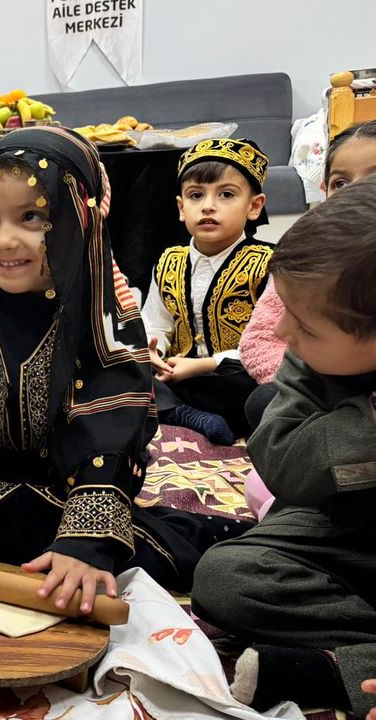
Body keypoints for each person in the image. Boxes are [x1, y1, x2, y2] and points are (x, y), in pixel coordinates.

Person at [0, 128, 242, 611]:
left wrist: (86, 540)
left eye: (32, 217)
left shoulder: (100, 313)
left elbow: (113, 430)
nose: (5, 240)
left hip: (68, 491)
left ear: (79, 218)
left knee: (116, 558)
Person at [190, 176, 376, 717]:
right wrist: (365, 422)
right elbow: (281, 462)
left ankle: (341, 672)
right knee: (225, 577)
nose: (282, 331)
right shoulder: (306, 354)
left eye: (308, 327)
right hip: (346, 528)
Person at [241, 120, 376, 429]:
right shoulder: (306, 256)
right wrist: (309, 377)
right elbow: (260, 338)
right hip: (320, 380)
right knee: (262, 401)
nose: (354, 194)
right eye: (341, 183)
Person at [143, 138, 273, 445]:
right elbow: (156, 323)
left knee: (269, 388)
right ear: (181, 208)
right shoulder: (169, 261)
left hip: (235, 375)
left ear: (254, 206)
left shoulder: (269, 264)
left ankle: (172, 410)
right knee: (120, 368)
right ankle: (185, 414)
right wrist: (153, 351)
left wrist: (204, 364)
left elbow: (273, 343)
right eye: (196, 195)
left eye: (226, 194)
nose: (208, 206)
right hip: (176, 376)